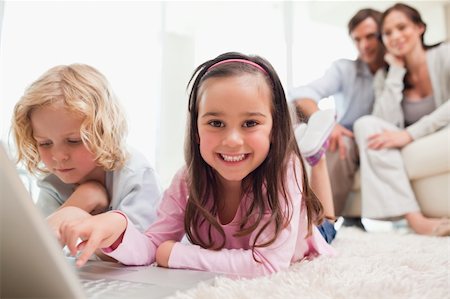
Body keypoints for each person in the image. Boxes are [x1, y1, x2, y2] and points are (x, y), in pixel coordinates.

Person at [58, 53, 336, 277]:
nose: (232, 140)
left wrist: (176, 254)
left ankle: (315, 157)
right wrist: (118, 227)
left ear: (274, 130)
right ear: (196, 130)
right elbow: (151, 247)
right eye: (216, 123)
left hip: (304, 236)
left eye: (250, 123)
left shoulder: (285, 170)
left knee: (326, 225)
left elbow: (269, 264)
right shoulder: (187, 180)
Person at [12, 64, 163, 255]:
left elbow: (145, 252)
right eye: (45, 143)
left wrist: (77, 215)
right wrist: (82, 200)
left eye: (73, 141)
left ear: (103, 132)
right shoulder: (53, 183)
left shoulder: (135, 175)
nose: (58, 156)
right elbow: (35, 251)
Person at [353, 3, 450, 236]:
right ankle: (415, 219)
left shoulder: (444, 54)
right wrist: (395, 72)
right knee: (364, 124)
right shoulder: (384, 75)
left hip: (435, 134)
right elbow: (382, 121)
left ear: (419, 28)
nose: (395, 36)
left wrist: (409, 134)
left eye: (401, 27)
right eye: (388, 33)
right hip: (410, 142)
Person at [289, 8, 386, 229]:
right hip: (349, 139)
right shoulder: (345, 69)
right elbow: (302, 94)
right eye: (357, 39)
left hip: (380, 140)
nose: (364, 45)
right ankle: (320, 224)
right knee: (340, 143)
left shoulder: (399, 72)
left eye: (370, 36)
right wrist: (329, 125)